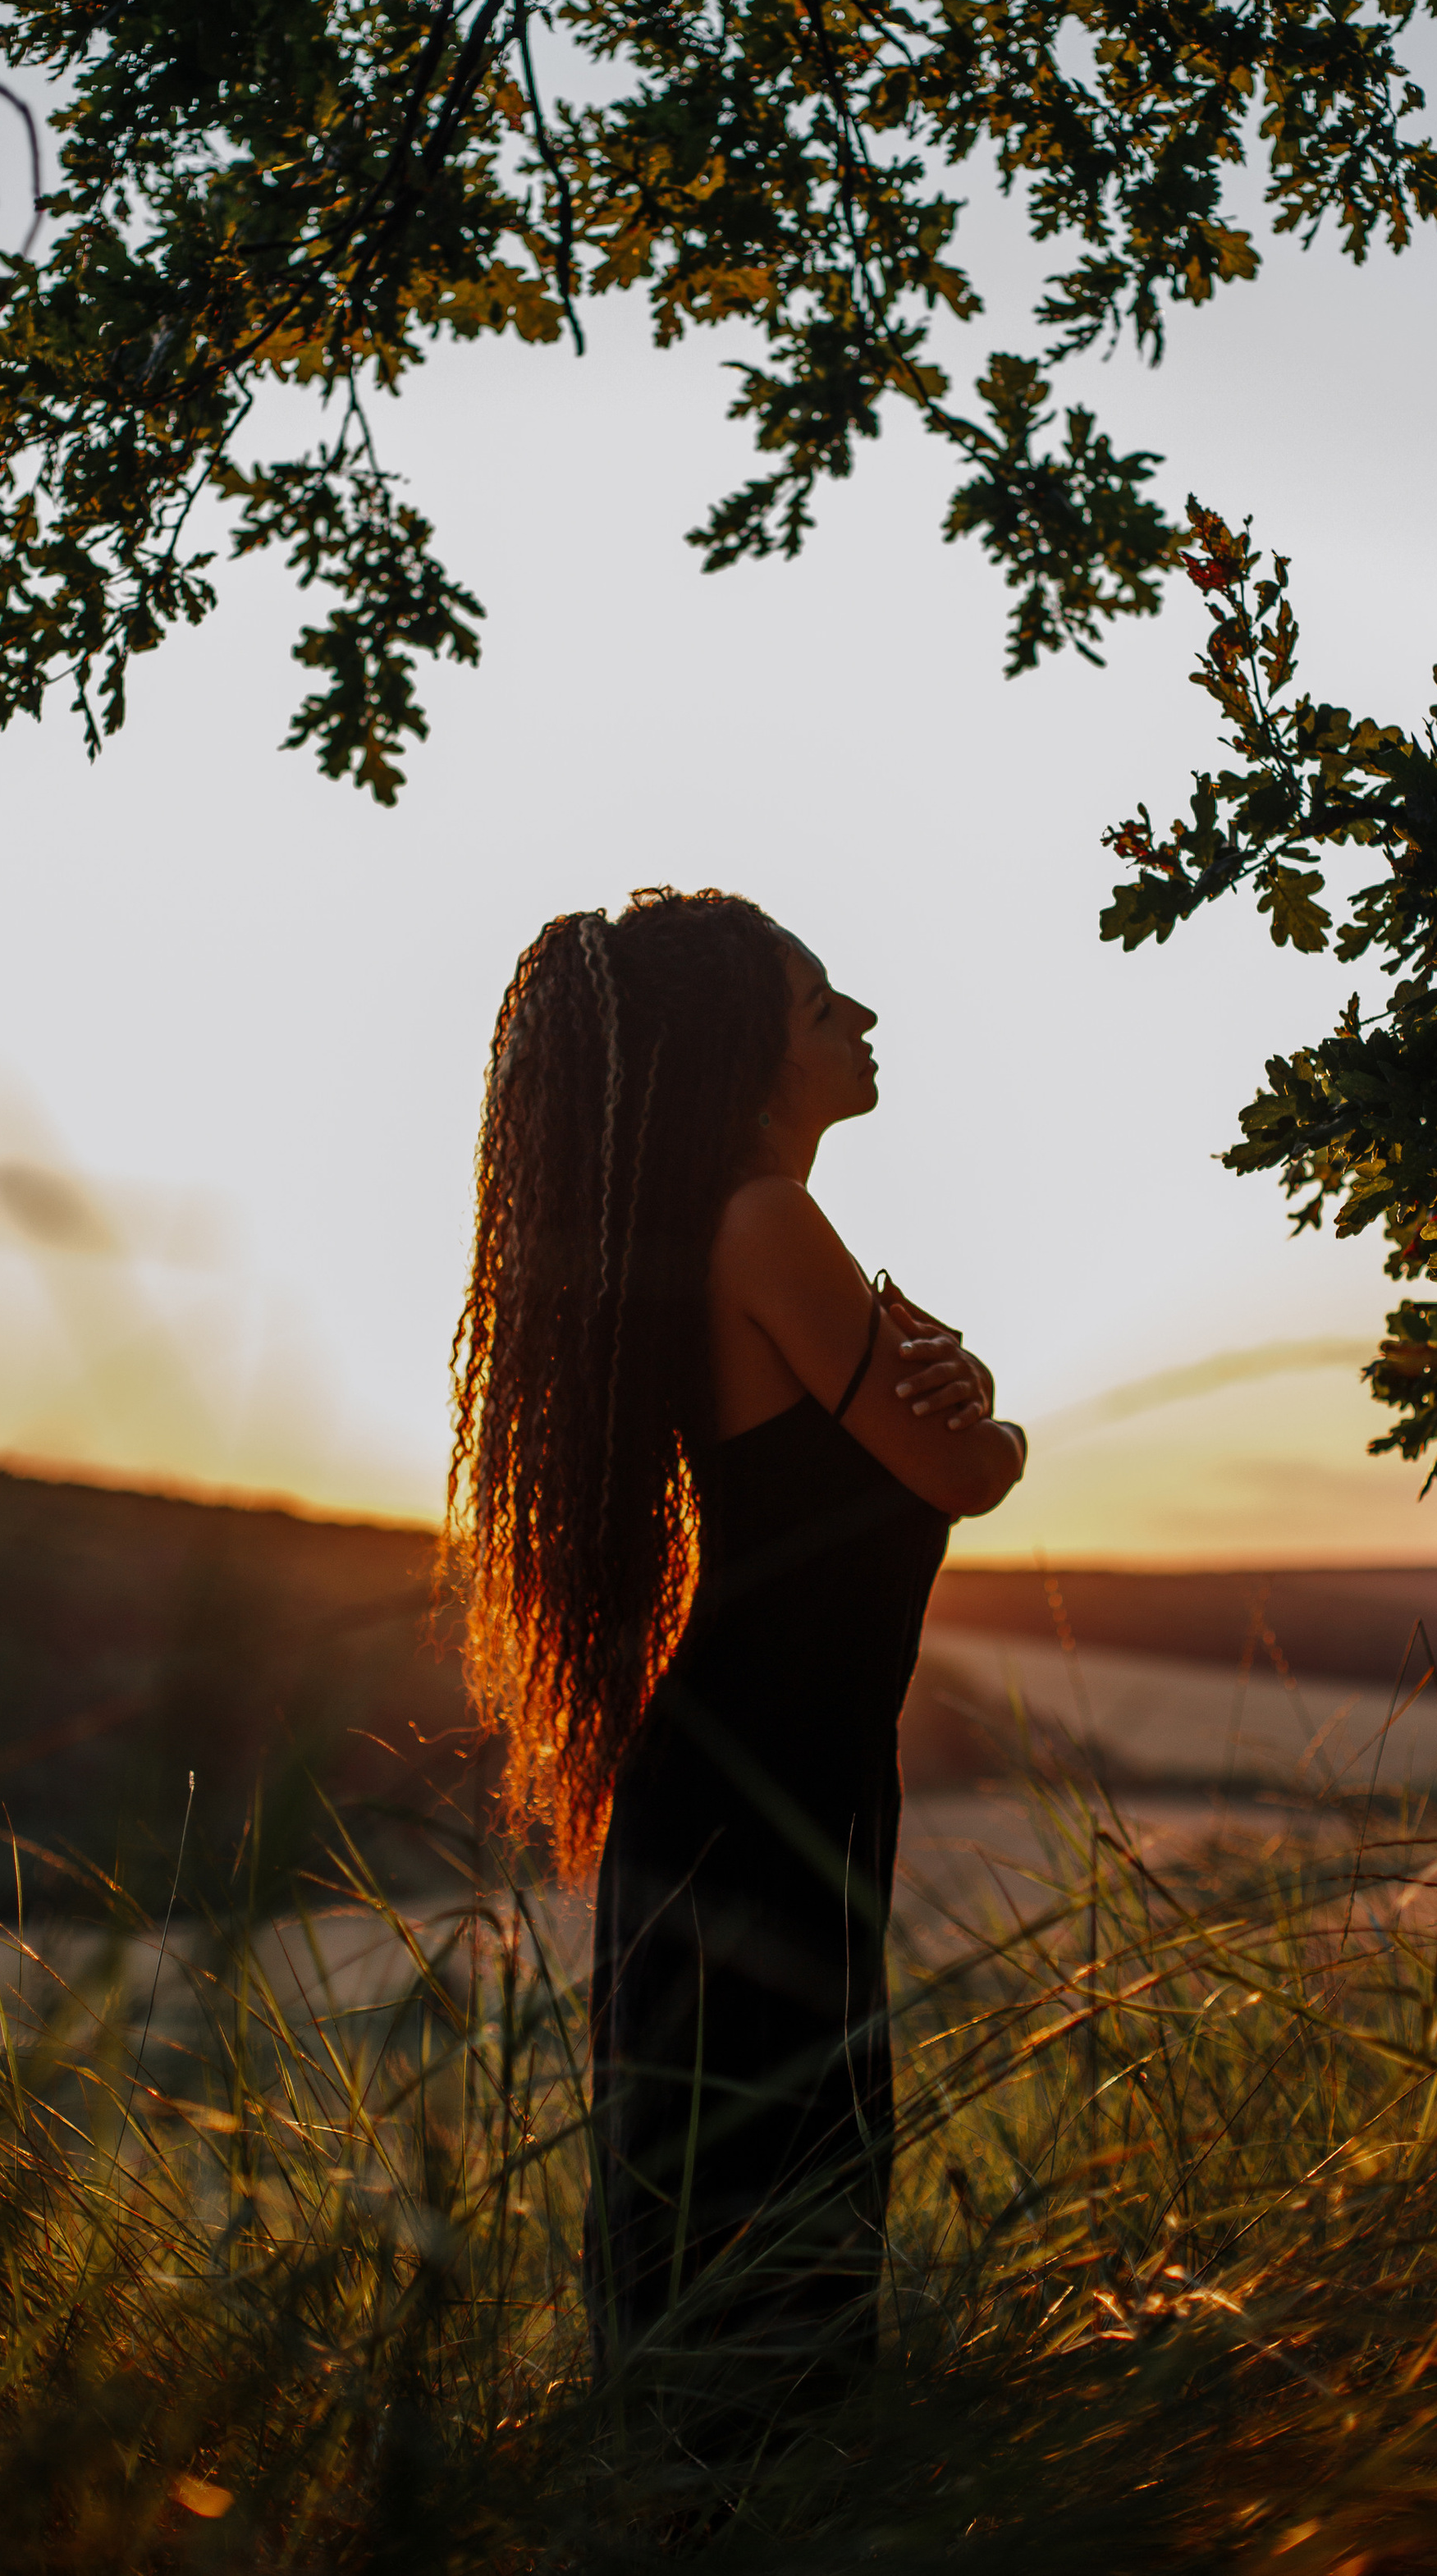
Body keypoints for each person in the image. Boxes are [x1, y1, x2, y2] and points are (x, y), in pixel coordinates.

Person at [447, 885, 1025, 2446]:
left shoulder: (743, 1227)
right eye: (822, 1001)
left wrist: (955, 1403)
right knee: (774, 2210)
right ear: (745, 1050)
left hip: (770, 1782)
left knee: (741, 2202)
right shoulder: (769, 1222)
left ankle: (720, 2519)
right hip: (760, 1793)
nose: (862, 1020)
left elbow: (912, 1457)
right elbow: (963, 1476)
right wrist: (999, 1421)